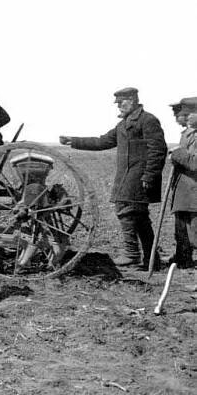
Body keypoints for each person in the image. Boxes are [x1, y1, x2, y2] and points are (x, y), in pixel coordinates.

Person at [59, 87, 167, 270]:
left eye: (122, 102)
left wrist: (149, 175)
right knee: (139, 217)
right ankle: (151, 260)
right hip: (128, 176)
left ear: (133, 99)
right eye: (117, 103)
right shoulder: (123, 124)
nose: (119, 106)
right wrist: (74, 140)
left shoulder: (148, 120)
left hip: (139, 176)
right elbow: (103, 141)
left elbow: (158, 150)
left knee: (126, 210)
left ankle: (131, 254)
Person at [168, 97, 197, 270]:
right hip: (185, 191)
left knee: (195, 233)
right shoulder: (188, 133)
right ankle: (183, 259)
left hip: (194, 193)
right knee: (183, 230)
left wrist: (177, 153)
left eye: (190, 113)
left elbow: (194, 163)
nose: (186, 117)